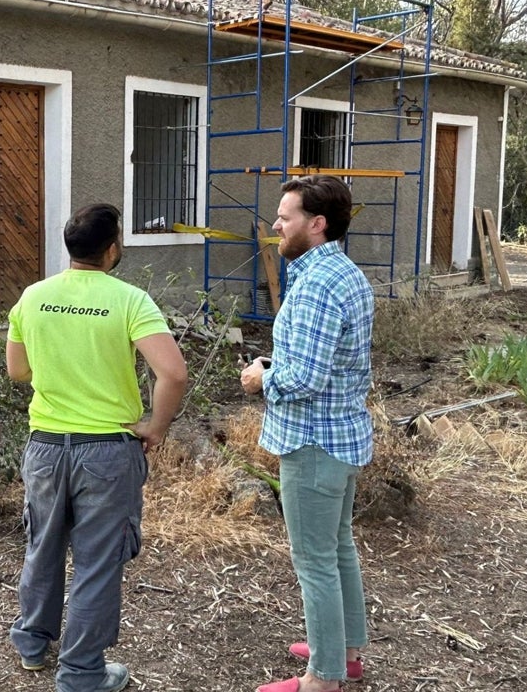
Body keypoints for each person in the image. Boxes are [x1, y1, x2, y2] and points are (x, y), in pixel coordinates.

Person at [6, 202, 188, 692]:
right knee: (97, 560)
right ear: (112, 249)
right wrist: (157, 426)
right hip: (107, 451)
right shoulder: (129, 300)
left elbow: (17, 371)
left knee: (42, 546)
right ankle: (82, 672)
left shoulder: (33, 297)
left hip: (45, 447)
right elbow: (172, 372)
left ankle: (31, 644)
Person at [239, 175, 374, 692]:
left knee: (314, 562)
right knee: (337, 547)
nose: (276, 225)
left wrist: (261, 377)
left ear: (316, 224)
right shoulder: (341, 273)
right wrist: (280, 363)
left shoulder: (316, 284)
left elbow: (306, 380)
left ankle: (323, 678)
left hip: (312, 441)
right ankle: (345, 651)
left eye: (285, 216)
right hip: (340, 436)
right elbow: (329, 362)